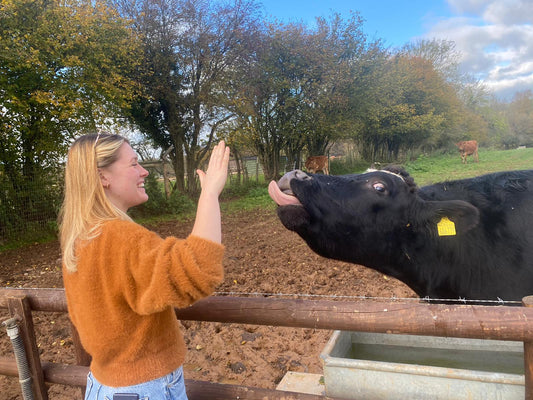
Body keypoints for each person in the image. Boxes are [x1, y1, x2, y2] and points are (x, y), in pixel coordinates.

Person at [58, 133, 230, 400]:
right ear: (103, 177)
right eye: (133, 164)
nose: (143, 172)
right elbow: (198, 269)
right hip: (143, 389)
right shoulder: (121, 238)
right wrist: (209, 194)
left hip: (103, 387)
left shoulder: (79, 239)